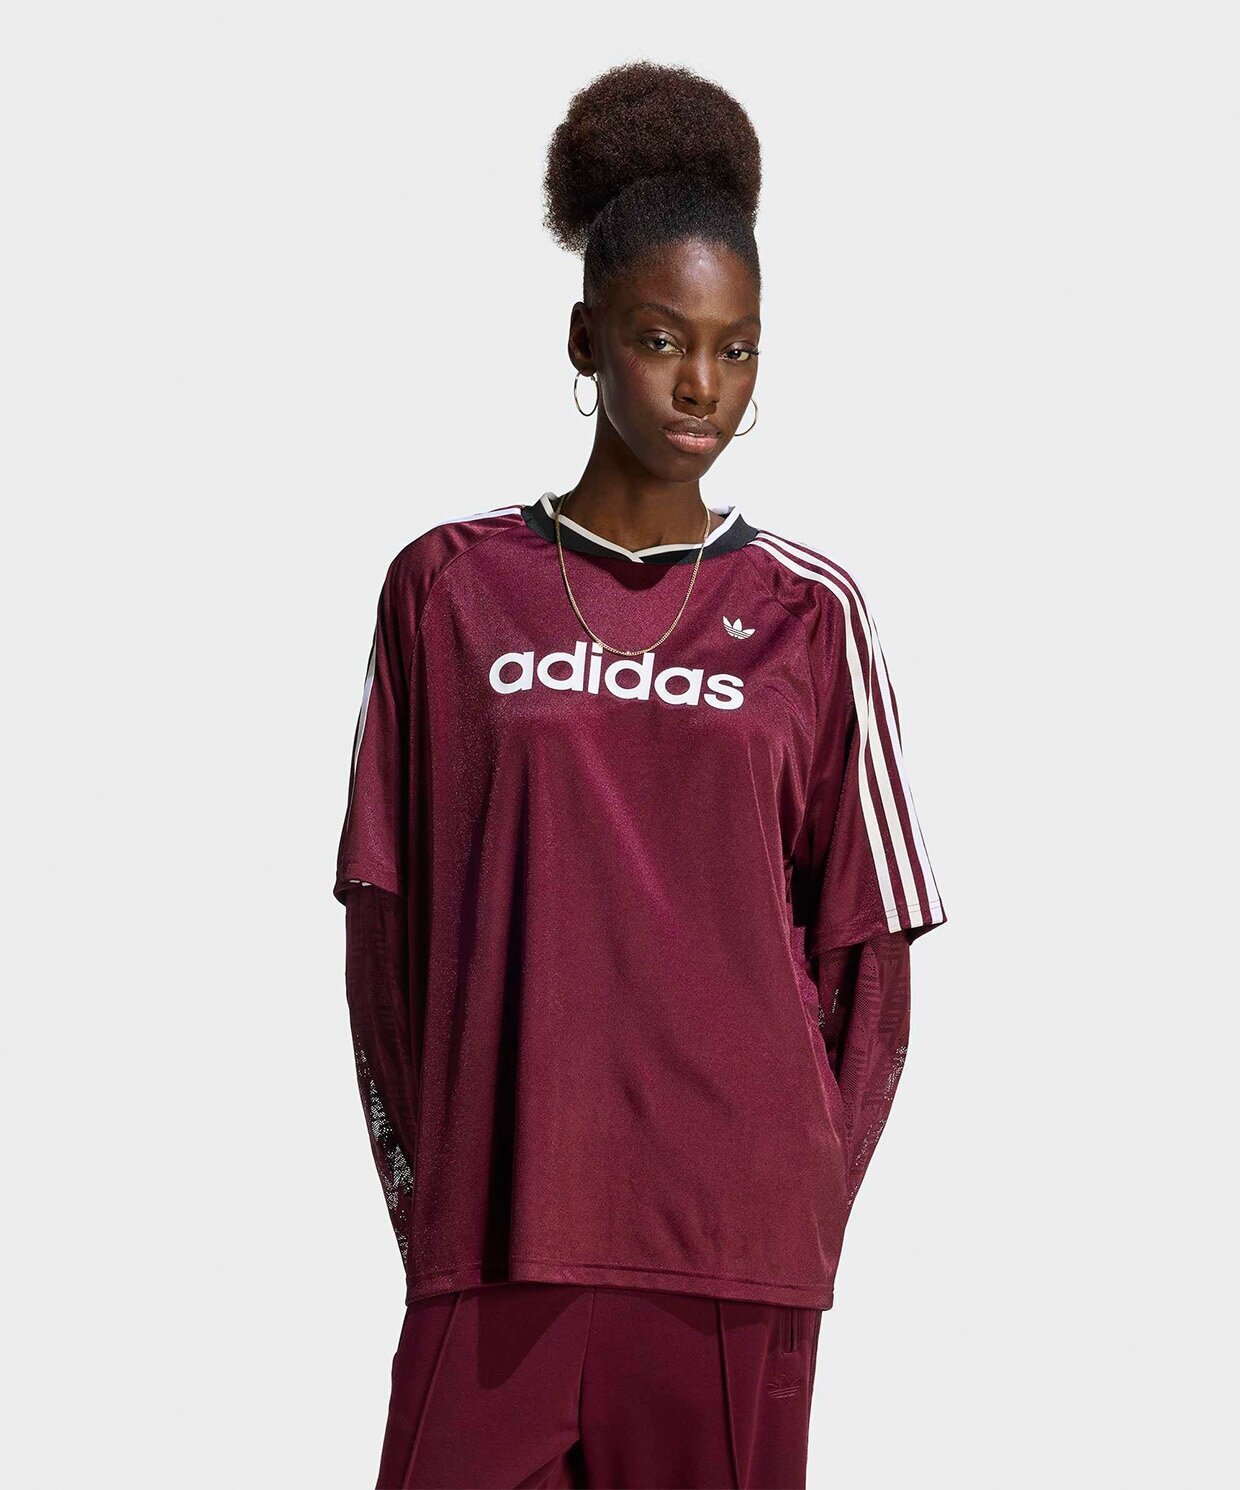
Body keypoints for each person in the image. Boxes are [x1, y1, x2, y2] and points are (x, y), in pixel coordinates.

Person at [333, 59, 946, 1490]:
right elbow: (383, 929)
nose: (699, 385)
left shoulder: (810, 614)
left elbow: (868, 963)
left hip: (729, 1264)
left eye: (736, 350)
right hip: (498, 1238)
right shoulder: (448, 588)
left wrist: (798, 1207)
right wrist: (435, 1196)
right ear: (587, 336)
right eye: (663, 338)